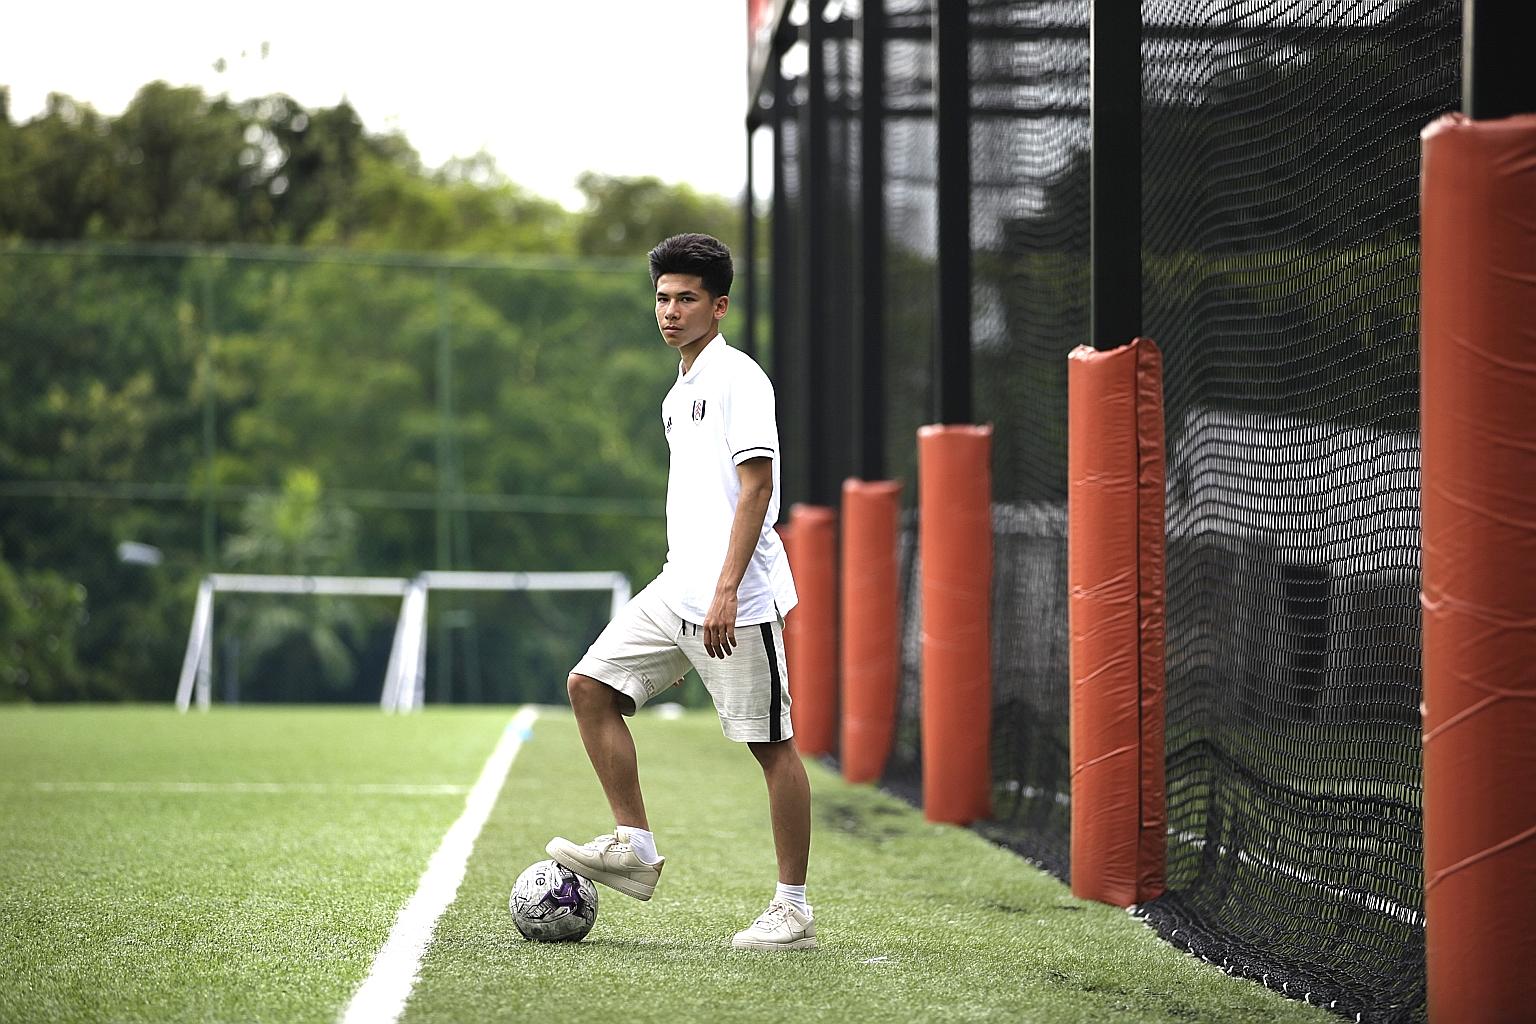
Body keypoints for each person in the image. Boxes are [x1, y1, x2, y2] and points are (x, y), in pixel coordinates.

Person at [545, 233, 814, 951]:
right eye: (662, 298)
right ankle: (633, 845)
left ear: (718, 306)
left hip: (740, 598)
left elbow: (757, 490)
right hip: (676, 590)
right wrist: (696, 584)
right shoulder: (678, 392)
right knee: (589, 687)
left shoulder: (740, 379)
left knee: (771, 748)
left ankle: (793, 910)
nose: (671, 311)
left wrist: (727, 589)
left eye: (687, 298)